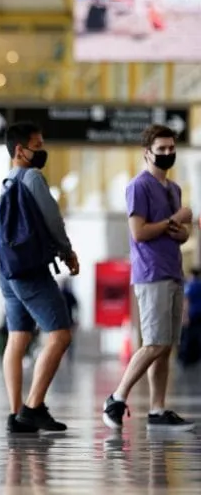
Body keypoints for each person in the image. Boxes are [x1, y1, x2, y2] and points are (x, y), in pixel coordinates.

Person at [102, 124, 194, 432]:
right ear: (147, 153)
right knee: (154, 342)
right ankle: (116, 397)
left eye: (171, 148)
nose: (167, 154)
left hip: (173, 270)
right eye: (162, 149)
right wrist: (173, 220)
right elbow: (139, 232)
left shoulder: (174, 189)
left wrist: (182, 229)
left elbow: (179, 235)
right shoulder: (138, 187)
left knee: (166, 345)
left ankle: (158, 409)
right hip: (151, 272)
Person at [0, 122, 78, 434]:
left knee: (18, 337)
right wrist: (67, 250)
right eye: (38, 144)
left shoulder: (7, 180)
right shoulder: (32, 177)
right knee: (60, 335)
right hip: (30, 270)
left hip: (7, 269)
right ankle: (32, 407)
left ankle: (17, 412)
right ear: (20, 150)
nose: (42, 150)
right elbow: (52, 217)